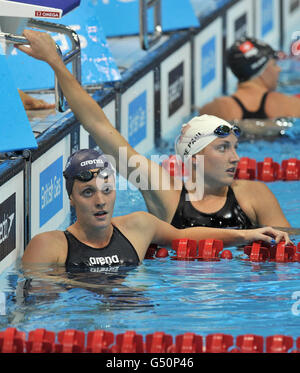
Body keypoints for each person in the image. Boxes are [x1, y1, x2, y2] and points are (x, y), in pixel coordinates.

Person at [17, 30, 292, 235]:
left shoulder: (254, 194)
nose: (235, 157)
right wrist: (55, 62)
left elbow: (289, 247)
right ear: (194, 157)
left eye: (234, 147)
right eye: (222, 148)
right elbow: (98, 125)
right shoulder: (166, 193)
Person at [22, 148, 291, 268]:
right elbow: (41, 309)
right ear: (71, 197)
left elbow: (185, 236)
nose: (100, 201)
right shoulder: (50, 245)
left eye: (107, 191)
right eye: (87, 193)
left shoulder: (138, 226)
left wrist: (245, 236)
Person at [198, 36, 300, 121]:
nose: (279, 69)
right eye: (274, 64)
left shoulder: (213, 109)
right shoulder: (286, 104)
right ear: (261, 70)